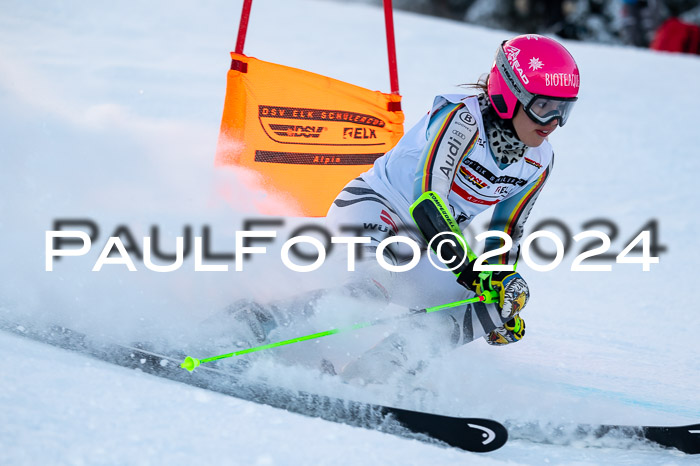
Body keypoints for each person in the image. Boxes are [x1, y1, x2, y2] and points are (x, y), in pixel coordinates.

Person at [229, 34, 580, 385]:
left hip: (428, 249)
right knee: (372, 287)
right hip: (375, 209)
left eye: (564, 109)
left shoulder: (540, 161)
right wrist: (469, 270)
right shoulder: (464, 121)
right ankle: (249, 322)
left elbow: (505, 236)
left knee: (495, 303)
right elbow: (428, 201)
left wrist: (500, 290)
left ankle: (375, 376)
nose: (553, 122)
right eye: (544, 106)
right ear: (509, 95)